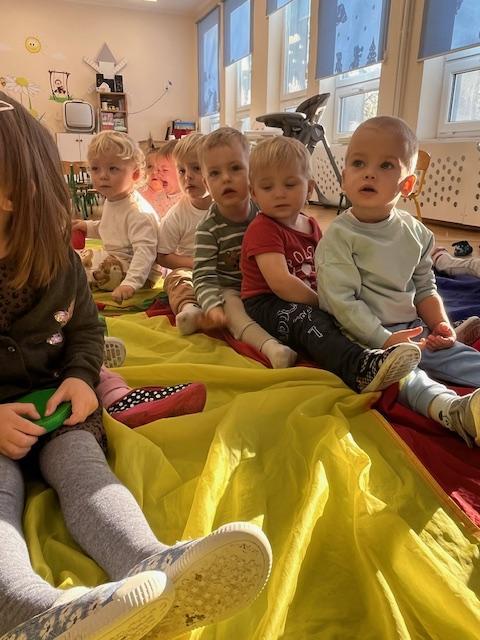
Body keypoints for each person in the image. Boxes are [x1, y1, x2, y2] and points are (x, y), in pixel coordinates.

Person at [0, 92, 272, 639]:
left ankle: (151, 564)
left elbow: (85, 330)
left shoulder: (57, 259)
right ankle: (27, 607)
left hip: (55, 402)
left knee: (88, 477)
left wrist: (81, 378)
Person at [315, 116, 480, 446]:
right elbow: (343, 304)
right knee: (404, 376)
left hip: (410, 327)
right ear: (344, 178)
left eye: (386, 165)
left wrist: (440, 324)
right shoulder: (339, 238)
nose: (369, 173)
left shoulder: (416, 233)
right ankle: (451, 410)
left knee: (454, 353)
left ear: (407, 185)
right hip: (358, 337)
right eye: (358, 163)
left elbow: (425, 288)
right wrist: (385, 339)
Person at [240, 135, 421, 394]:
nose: (279, 193)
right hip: (268, 303)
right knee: (310, 321)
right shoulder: (263, 228)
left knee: (355, 302)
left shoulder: (311, 224)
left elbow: (330, 265)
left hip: (311, 296)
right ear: (254, 193)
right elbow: (281, 283)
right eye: (267, 187)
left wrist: (345, 297)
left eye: (290, 184)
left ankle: (407, 334)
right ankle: (358, 367)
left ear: (309, 188)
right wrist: (327, 303)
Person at [193, 127, 299, 368]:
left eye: (235, 168)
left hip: (266, 285)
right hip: (231, 288)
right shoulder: (208, 228)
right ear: (206, 183)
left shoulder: (266, 212)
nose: (226, 178)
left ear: (251, 173)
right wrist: (212, 306)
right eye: (215, 173)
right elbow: (203, 276)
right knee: (234, 311)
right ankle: (271, 348)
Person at [73, 131, 163, 303]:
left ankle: (69, 282)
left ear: (135, 174)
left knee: (88, 267)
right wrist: (87, 227)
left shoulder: (138, 212)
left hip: (139, 273)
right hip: (115, 260)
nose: (102, 175)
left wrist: (130, 283)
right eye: (95, 168)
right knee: (74, 257)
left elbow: (145, 252)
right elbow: (111, 228)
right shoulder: (114, 199)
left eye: (112, 168)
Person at [156, 133, 212, 335]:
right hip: (190, 271)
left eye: (196, 168)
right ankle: (190, 310)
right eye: (181, 170)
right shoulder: (177, 215)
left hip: (224, 272)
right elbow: (162, 255)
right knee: (177, 280)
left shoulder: (229, 207)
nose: (187, 176)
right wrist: (194, 263)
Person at [141, 141, 182, 219]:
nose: (157, 173)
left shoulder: (188, 201)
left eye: (164, 170)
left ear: (181, 172)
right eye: (158, 170)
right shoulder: (158, 197)